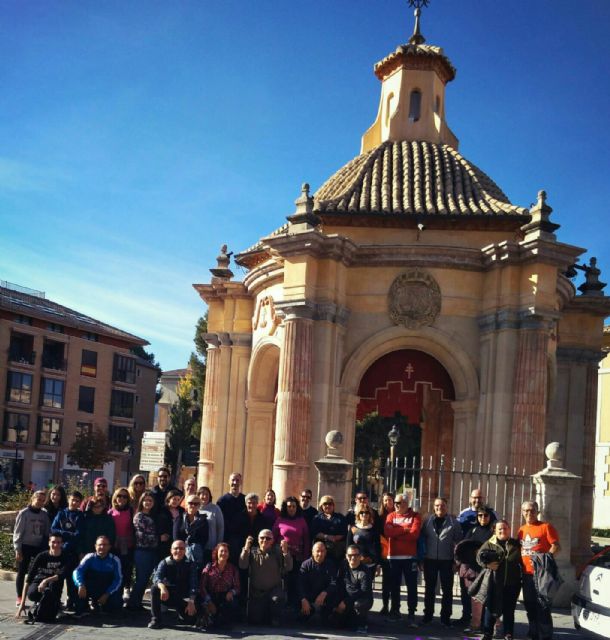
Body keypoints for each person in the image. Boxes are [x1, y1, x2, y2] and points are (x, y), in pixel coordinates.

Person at [518, 501, 560, 640]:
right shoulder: (521, 530)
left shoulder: (545, 527)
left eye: (532, 510)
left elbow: (556, 546)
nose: (529, 513)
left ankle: (546, 635)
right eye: (526, 510)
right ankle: (533, 631)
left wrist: (545, 559)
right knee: (529, 604)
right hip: (527, 575)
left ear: (537, 511)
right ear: (522, 512)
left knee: (543, 606)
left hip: (542, 575)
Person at [420, 496, 463, 627]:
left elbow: (458, 543)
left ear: (447, 507)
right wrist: (421, 559)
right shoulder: (427, 521)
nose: (440, 508)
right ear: (434, 507)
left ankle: (445, 617)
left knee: (447, 590)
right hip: (430, 560)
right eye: (437, 505)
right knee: (429, 589)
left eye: (442, 505)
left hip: (447, 560)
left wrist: (456, 562)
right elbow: (422, 541)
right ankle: (428, 615)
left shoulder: (454, 522)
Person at [457, 488, 498, 625]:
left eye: (479, 498)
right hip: (470, 565)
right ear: (470, 498)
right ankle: (467, 618)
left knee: (486, 595)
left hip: (486, 567)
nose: (482, 518)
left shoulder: (493, 517)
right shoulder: (464, 515)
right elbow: (461, 539)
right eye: (474, 497)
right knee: (468, 593)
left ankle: (485, 622)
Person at [477, 519, 522, 640]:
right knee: (491, 609)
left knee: (509, 610)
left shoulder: (516, 544)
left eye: (505, 528)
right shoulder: (489, 543)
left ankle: (508, 633)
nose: (503, 531)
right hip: (494, 583)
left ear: (509, 529)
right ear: (495, 531)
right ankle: (487, 633)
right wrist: (487, 565)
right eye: (500, 529)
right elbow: (478, 557)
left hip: (512, 583)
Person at [239, 529, 292, 625]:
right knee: (255, 621)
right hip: (257, 593)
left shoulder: (277, 552)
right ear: (258, 539)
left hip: (274, 592)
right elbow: (242, 565)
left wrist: (285, 552)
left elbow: (288, 567)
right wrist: (246, 548)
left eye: (268, 538)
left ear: (272, 540)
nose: (265, 540)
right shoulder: (252, 552)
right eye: (262, 538)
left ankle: (275, 617)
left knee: (277, 601)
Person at [383, 492, 421, 624]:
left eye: (399, 503)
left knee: (411, 586)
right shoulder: (390, 516)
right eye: (395, 503)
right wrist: (404, 529)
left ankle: (411, 612)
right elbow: (388, 532)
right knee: (394, 586)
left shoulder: (415, 516)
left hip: (410, 557)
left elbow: (414, 535)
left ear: (406, 503)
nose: (396, 505)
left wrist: (397, 533)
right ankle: (395, 611)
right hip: (393, 557)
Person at [15, 533, 68, 623]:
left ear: (62, 544)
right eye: (53, 542)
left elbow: (61, 575)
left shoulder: (65, 556)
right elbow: (28, 579)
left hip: (54, 582)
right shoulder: (41, 556)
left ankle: (55, 606)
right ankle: (39, 603)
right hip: (39, 581)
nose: (55, 545)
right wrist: (22, 603)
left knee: (53, 586)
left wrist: (45, 580)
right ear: (49, 543)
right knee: (32, 593)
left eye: (58, 542)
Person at [148, 540, 200, 630]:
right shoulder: (164, 562)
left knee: (191, 620)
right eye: (176, 548)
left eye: (181, 548)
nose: (178, 551)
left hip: (184, 597)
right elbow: (156, 578)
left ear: (185, 551)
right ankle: (156, 620)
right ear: (171, 550)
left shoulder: (191, 564)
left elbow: (194, 584)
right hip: (168, 595)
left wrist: (191, 602)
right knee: (155, 589)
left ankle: (182, 615)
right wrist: (163, 587)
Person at [13, 490, 50, 607]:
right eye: (38, 499)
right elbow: (17, 532)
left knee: (40, 571)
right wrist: (17, 549)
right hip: (25, 546)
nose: (40, 502)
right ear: (33, 499)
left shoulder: (44, 514)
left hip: (38, 547)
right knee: (22, 571)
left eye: (42, 501)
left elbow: (47, 531)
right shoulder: (24, 513)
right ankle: (19, 597)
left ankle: (38, 596)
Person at [72, 535, 123, 617]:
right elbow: (77, 571)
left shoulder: (115, 560)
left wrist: (107, 594)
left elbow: (118, 579)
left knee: (116, 604)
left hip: (106, 588)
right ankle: (83, 608)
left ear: (109, 547)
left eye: (105, 545)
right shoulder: (89, 557)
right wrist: (80, 585)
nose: (102, 547)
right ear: (95, 546)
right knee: (77, 590)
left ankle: (102, 606)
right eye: (100, 545)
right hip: (91, 587)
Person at [51, 490, 85, 609]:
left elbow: (79, 534)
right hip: (60, 551)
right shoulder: (61, 513)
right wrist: (68, 533)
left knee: (72, 579)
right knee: (58, 578)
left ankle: (72, 601)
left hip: (73, 552)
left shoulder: (80, 516)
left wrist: (64, 535)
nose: (74, 502)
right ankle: (55, 601)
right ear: (69, 499)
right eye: (73, 499)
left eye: (77, 501)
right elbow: (53, 529)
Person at [273, 496, 310, 606]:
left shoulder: (302, 521)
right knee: (283, 582)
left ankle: (294, 607)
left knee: (295, 582)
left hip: (298, 557)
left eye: (293, 506)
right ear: (285, 507)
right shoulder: (280, 520)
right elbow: (273, 537)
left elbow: (307, 539)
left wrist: (305, 556)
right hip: (282, 556)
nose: (291, 509)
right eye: (289, 506)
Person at [127, 490, 159, 610]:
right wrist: (158, 538)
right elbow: (141, 536)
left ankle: (137, 603)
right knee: (141, 579)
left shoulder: (152, 516)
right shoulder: (139, 516)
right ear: (142, 501)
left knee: (146, 580)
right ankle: (132, 604)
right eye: (146, 500)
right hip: (142, 551)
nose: (148, 502)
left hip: (152, 551)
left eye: (150, 500)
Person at [299, 541, 341, 623]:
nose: (320, 554)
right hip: (309, 597)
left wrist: (325, 593)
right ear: (312, 552)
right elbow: (300, 584)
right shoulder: (305, 565)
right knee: (302, 619)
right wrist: (303, 599)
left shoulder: (330, 564)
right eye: (318, 551)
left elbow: (334, 582)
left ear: (325, 552)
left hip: (325, 597)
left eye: (322, 551)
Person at [200, 542, 240, 628]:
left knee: (233, 604)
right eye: (221, 551)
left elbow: (237, 587)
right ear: (216, 553)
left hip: (225, 596)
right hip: (211, 596)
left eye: (226, 551)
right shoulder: (209, 567)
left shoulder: (233, 569)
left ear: (229, 554)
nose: (223, 553)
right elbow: (202, 586)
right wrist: (209, 601)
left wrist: (231, 592)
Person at [335, 544, 374, 632]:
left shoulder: (365, 572)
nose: (353, 558)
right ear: (346, 556)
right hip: (346, 597)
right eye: (350, 555)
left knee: (359, 604)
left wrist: (345, 602)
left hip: (361, 599)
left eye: (356, 555)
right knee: (337, 624)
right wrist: (338, 601)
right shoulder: (343, 566)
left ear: (360, 556)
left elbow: (363, 591)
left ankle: (362, 625)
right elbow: (338, 584)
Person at [108, 487, 135, 598]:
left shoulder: (131, 511)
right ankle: (114, 591)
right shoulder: (110, 512)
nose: (122, 498)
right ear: (115, 497)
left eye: (125, 496)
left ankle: (126, 588)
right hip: (114, 544)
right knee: (114, 568)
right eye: (119, 496)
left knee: (127, 568)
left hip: (127, 544)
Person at [173, 493, 209, 569]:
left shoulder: (203, 521)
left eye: (195, 504)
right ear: (186, 504)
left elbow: (204, 538)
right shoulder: (179, 519)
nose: (192, 505)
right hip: (180, 552)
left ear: (199, 506)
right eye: (190, 503)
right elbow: (176, 537)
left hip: (196, 554)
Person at [310, 495, 347, 563]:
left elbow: (343, 533)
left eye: (330, 504)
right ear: (321, 506)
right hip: (320, 552)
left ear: (333, 505)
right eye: (325, 504)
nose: (327, 506)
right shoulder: (317, 518)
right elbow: (314, 532)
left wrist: (334, 538)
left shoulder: (340, 517)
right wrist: (327, 537)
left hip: (336, 551)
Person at [376, 491, 394, 615]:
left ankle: (394, 606)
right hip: (383, 552)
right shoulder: (380, 516)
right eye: (386, 500)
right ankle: (385, 605)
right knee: (386, 581)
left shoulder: (397, 515)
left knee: (394, 581)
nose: (388, 502)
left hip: (396, 551)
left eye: (390, 500)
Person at [198, 486, 224, 565]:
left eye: (207, 494)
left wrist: (218, 545)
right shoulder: (195, 508)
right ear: (198, 495)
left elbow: (220, 528)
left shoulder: (215, 508)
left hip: (211, 547)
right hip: (198, 547)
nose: (204, 496)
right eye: (202, 494)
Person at [217, 472, 246, 544]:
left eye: (237, 480)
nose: (235, 482)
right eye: (233, 480)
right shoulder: (222, 501)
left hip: (241, 538)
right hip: (226, 538)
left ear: (241, 482)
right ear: (229, 482)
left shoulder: (245, 500)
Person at [157, 489, 184, 561]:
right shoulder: (162, 510)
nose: (176, 501)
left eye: (178, 500)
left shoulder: (182, 511)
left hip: (178, 541)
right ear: (169, 499)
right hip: (165, 543)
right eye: (174, 499)